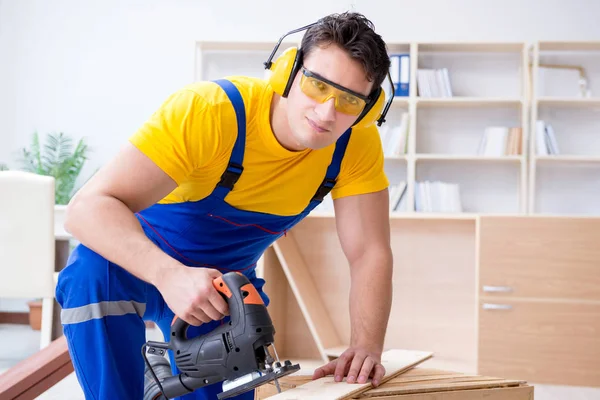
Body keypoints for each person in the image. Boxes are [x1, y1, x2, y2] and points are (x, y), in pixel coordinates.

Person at [56, 10, 394, 400]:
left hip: (221, 289)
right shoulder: (211, 112)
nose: (327, 112)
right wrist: (168, 275)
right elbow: (85, 209)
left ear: (368, 109)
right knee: (91, 275)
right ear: (288, 71)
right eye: (318, 85)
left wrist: (366, 346)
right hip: (138, 265)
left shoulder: (354, 144)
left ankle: (164, 373)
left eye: (349, 100)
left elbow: (370, 252)